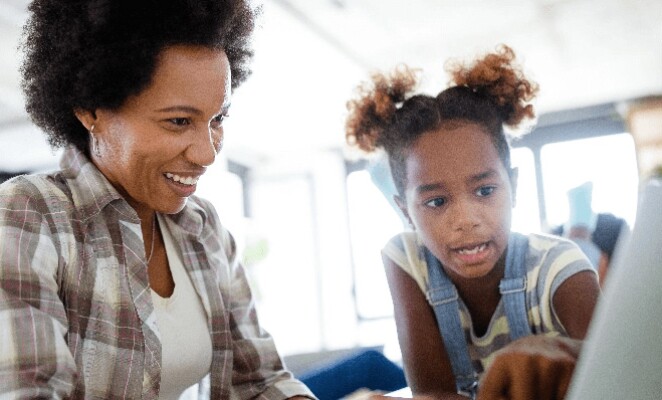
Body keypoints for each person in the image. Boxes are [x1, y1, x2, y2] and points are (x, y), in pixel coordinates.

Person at [0, 1, 314, 399]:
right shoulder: (28, 216)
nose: (207, 153)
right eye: (179, 121)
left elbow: (258, 381)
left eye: (218, 119)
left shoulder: (206, 230)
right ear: (90, 109)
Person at [344, 45, 601, 399]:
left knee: (579, 243)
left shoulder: (561, 267)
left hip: (551, 255)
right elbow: (433, 394)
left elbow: (625, 374)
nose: (466, 220)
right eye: (436, 201)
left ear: (514, 186)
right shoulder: (406, 260)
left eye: (485, 191)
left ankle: (581, 220)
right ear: (405, 211)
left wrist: (573, 355)